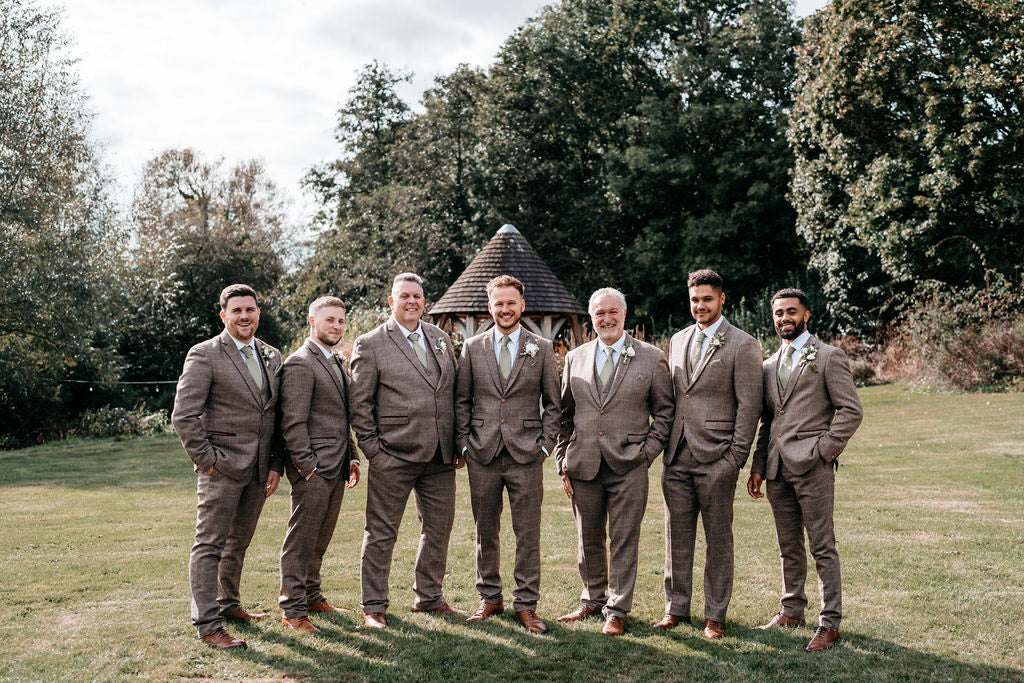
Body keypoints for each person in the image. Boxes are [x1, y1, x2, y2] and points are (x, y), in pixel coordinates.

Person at [747, 288, 863, 652]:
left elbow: (851, 411)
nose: (784, 317)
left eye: (791, 312)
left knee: (822, 545)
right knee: (788, 544)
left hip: (813, 466)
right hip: (778, 469)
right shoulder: (768, 365)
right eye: (779, 312)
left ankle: (829, 623)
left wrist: (824, 450)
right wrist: (758, 465)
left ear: (806, 315)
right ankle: (792, 609)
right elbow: (767, 421)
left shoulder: (829, 357)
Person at [554, 287, 673, 636]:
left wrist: (646, 454)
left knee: (624, 539)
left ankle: (617, 609)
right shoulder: (575, 357)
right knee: (587, 538)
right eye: (599, 314)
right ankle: (591, 599)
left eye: (612, 312)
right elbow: (564, 413)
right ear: (592, 318)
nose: (606, 319)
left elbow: (665, 414)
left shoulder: (651, 358)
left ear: (624, 314)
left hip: (629, 466)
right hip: (583, 464)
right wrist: (563, 459)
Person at [172, 283, 283, 649]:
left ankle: (230, 604)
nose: (244, 316)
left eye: (250, 310)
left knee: (239, 542)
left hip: (258, 470)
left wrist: (275, 465)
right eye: (236, 311)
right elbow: (184, 416)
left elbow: (275, 416)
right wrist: (209, 461)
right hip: (220, 468)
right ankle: (208, 624)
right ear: (224, 315)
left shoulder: (271, 355)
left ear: (258, 313)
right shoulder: (205, 355)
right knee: (209, 544)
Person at [348, 272, 462, 629]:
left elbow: (452, 392)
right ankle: (374, 607)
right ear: (391, 301)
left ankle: (429, 597)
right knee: (381, 532)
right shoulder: (370, 343)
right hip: (392, 456)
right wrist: (374, 452)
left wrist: (457, 442)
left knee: (439, 529)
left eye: (417, 296)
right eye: (404, 296)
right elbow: (359, 406)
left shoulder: (440, 338)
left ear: (424, 301)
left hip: (440, 456)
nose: (411, 302)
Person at [656, 269, 763, 639]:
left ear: (721, 299)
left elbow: (750, 405)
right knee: (676, 536)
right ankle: (676, 609)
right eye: (694, 299)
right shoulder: (678, 338)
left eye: (706, 299)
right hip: (677, 456)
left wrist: (734, 459)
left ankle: (715, 615)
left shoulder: (743, 344)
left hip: (718, 456)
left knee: (718, 539)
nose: (699, 306)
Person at [454, 275, 560, 634]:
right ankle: (490, 597)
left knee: (527, 531)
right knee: (486, 530)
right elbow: (462, 401)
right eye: (498, 303)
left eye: (511, 303)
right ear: (490, 306)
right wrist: (465, 444)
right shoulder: (472, 347)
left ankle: (526, 605)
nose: (505, 309)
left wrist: (545, 445)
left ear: (522, 305)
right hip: (481, 452)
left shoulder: (542, 348)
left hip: (527, 453)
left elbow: (554, 404)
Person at [277, 296, 361, 633]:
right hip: (313, 470)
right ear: (312, 322)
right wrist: (307, 467)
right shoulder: (300, 363)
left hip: (336, 466)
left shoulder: (336, 361)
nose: (336, 327)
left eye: (341, 321)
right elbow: (292, 423)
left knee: (320, 537)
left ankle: (312, 595)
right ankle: (293, 610)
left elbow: (340, 417)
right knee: (301, 540)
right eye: (329, 320)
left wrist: (352, 455)